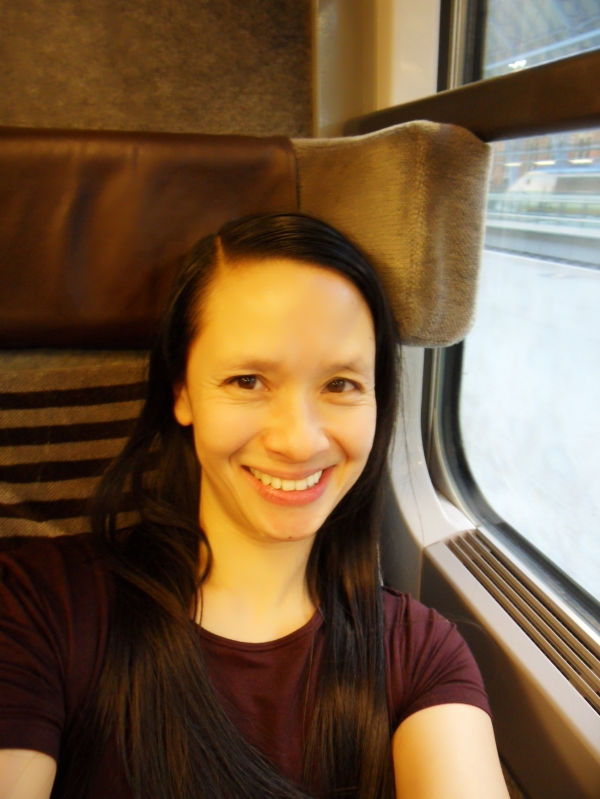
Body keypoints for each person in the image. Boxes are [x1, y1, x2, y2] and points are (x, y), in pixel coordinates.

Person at [0, 214, 510, 799]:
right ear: (181, 392)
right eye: (248, 381)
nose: (299, 441)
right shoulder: (39, 606)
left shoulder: (419, 654)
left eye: (340, 384)